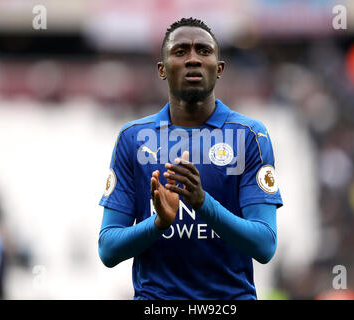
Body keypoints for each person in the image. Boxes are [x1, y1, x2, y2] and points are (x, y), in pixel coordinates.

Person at [98, 17, 283, 300]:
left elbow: (265, 244)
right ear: (162, 69)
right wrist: (159, 223)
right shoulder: (133, 138)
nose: (193, 59)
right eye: (181, 51)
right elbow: (108, 249)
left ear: (219, 69)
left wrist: (202, 203)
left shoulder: (248, 136)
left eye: (204, 51)